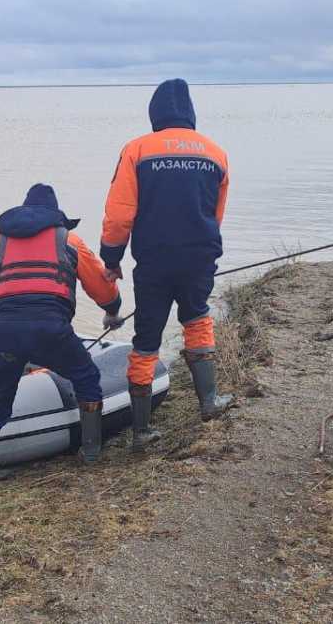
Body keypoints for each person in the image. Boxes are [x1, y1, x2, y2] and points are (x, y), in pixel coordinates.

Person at [99, 78, 233, 454]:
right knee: (197, 317)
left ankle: (141, 431)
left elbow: (119, 214)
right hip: (199, 256)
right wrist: (205, 250)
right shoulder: (215, 153)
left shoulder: (137, 150)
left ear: (155, 113)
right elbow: (216, 213)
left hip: (154, 260)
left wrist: (111, 258)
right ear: (190, 113)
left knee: (146, 339)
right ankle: (210, 401)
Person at [0, 184, 124, 484]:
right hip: (50, 328)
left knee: (0, 397)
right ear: (55, 215)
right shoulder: (69, 240)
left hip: (5, 332)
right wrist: (113, 309)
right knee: (86, 377)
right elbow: (101, 288)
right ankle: (91, 454)